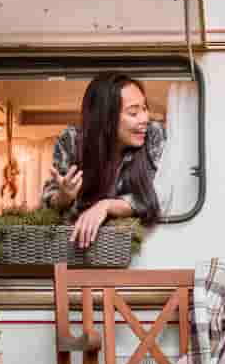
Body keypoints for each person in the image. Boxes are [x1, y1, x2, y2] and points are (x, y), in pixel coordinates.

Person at [42, 73, 165, 247]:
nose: (144, 119)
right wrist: (64, 196)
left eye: (144, 109)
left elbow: (163, 193)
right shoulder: (71, 140)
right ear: (106, 117)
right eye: (133, 112)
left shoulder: (153, 134)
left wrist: (107, 206)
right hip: (80, 251)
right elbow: (48, 204)